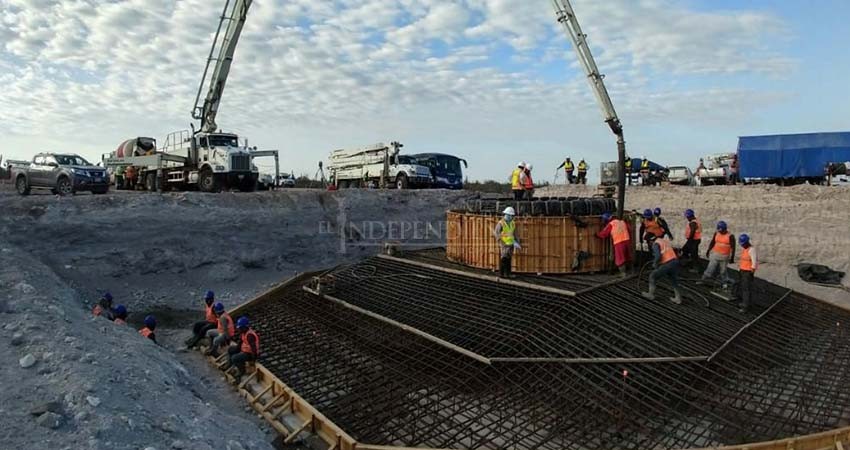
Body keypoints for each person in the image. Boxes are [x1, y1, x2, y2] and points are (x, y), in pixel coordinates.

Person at [642, 234, 683, 304]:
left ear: (651, 240)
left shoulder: (655, 244)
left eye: (648, 242)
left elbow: (658, 256)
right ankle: (678, 298)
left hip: (668, 264)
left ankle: (650, 294)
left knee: (652, 276)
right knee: (673, 280)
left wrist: (655, 264)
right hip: (675, 262)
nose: (648, 243)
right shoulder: (662, 241)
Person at [597, 212, 632, 277]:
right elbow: (629, 229)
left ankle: (623, 273)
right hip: (627, 240)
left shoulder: (611, 224)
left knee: (620, 259)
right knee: (627, 256)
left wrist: (597, 235)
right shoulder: (621, 221)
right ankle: (631, 271)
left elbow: (604, 234)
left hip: (619, 242)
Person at [226, 316, 260, 382]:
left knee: (234, 358)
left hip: (249, 354)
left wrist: (253, 359)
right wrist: (235, 349)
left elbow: (254, 349)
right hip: (244, 351)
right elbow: (240, 343)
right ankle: (230, 365)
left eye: (240, 328)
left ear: (245, 327)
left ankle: (242, 371)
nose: (239, 329)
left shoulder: (250, 335)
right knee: (230, 350)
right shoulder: (243, 333)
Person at [703, 221, 736, 285]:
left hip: (724, 256)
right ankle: (704, 279)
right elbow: (712, 242)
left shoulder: (730, 236)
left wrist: (732, 257)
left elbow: (733, 247)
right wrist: (708, 250)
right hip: (715, 254)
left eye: (721, 230)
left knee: (723, 270)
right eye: (719, 230)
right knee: (710, 268)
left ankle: (724, 281)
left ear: (725, 229)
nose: (720, 232)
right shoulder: (716, 233)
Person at [493, 207, 521, 278]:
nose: (511, 217)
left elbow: (515, 233)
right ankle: (502, 274)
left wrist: (517, 242)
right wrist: (500, 241)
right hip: (504, 244)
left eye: (512, 215)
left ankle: (507, 274)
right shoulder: (501, 223)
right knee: (504, 258)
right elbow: (497, 233)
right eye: (510, 215)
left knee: (508, 259)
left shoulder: (512, 223)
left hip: (511, 244)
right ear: (506, 215)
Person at [737, 234, 757, 313]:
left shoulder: (751, 250)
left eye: (742, 244)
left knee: (746, 289)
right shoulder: (745, 249)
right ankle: (746, 303)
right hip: (742, 270)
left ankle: (745, 306)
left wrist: (751, 272)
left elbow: (754, 262)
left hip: (747, 272)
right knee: (744, 288)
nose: (742, 245)